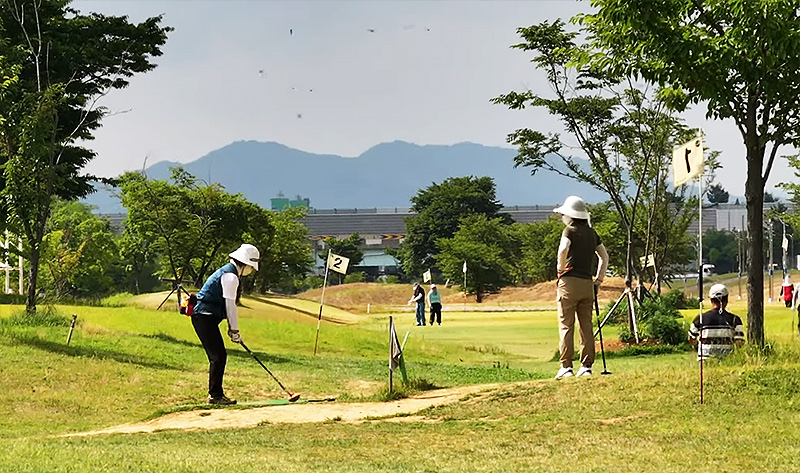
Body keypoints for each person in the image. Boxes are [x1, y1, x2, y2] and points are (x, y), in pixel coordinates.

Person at [191, 243, 260, 405]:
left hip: (205, 317)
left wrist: (232, 330)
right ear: (245, 264)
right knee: (218, 356)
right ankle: (215, 396)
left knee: (218, 356)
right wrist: (234, 330)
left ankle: (216, 395)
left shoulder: (228, 272)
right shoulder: (231, 277)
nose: (250, 271)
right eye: (251, 267)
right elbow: (230, 305)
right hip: (203, 316)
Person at [553, 196, 609, 379]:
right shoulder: (592, 233)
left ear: (570, 215)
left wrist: (560, 269)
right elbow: (604, 257)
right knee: (586, 325)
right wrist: (599, 280)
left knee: (566, 325)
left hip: (569, 282)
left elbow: (562, 250)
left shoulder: (569, 231)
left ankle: (566, 366)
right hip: (587, 284)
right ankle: (586, 366)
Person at [688, 283, 744, 359]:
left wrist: (697, 347)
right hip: (727, 360)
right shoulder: (735, 319)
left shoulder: (700, 318)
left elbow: (691, 338)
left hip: (705, 361)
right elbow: (739, 342)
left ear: (711, 300)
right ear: (726, 300)